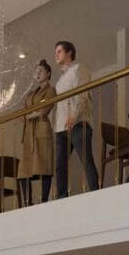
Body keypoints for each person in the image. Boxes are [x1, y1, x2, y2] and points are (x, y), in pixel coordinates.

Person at [52, 40, 97, 199]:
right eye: (55, 52)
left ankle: (95, 193)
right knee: (60, 166)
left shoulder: (79, 69)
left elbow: (82, 93)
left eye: (59, 51)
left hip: (78, 123)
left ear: (69, 52)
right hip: (60, 127)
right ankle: (61, 198)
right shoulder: (58, 82)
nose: (56, 55)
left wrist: (74, 115)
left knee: (86, 158)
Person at [19, 60, 56, 205]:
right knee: (23, 169)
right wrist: (30, 114)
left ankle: (44, 200)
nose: (38, 74)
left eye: (41, 71)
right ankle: (28, 202)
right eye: (36, 71)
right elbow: (22, 113)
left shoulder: (50, 90)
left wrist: (32, 114)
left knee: (44, 164)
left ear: (48, 73)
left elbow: (44, 109)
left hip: (41, 128)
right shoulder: (30, 93)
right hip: (28, 132)